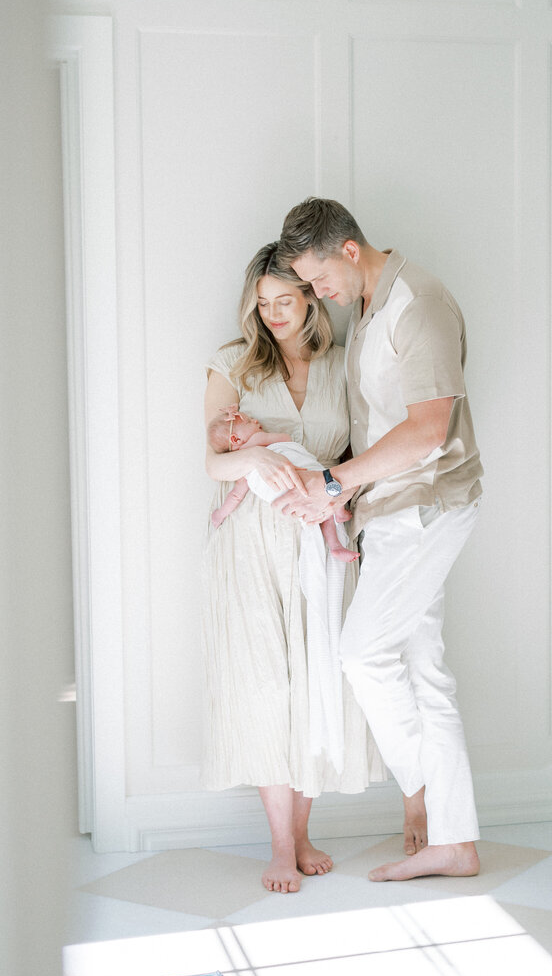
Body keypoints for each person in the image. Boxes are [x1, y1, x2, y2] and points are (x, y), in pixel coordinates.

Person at [275, 198, 484, 882]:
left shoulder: (417, 304)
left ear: (349, 250)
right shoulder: (369, 309)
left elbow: (428, 431)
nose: (316, 294)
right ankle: (456, 841)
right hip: (392, 514)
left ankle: (425, 793)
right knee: (425, 671)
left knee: (361, 654)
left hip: (426, 508)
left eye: (318, 278)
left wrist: (334, 484)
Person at [201, 241, 383, 894]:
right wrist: (256, 459)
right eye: (264, 305)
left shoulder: (346, 365)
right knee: (265, 686)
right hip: (251, 541)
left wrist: (333, 492)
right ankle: (281, 844)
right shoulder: (233, 364)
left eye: (286, 301)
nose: (275, 315)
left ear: (310, 298)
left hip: (321, 535)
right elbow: (214, 460)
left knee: (317, 684)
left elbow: (367, 457)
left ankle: (304, 832)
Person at [206, 406, 357, 561]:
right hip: (298, 475)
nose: (256, 421)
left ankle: (335, 546)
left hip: (283, 496)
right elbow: (286, 438)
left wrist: (220, 514)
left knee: (318, 512)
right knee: (325, 482)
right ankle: (339, 514)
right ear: (235, 439)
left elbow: (236, 496)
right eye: (249, 422)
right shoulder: (257, 441)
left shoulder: (244, 471)